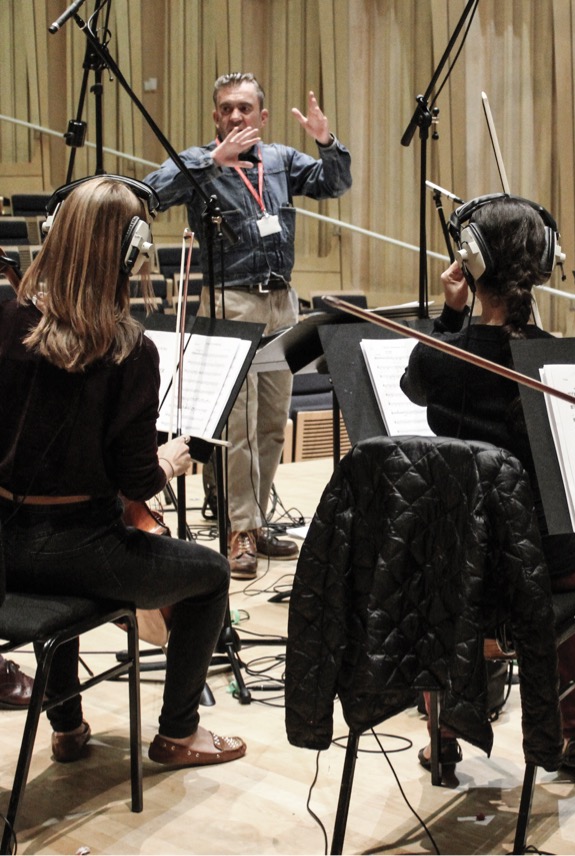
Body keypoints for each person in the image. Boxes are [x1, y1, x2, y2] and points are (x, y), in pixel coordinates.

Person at [0, 176, 244, 767]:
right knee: (210, 575)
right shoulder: (129, 349)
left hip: (4, 545)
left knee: (67, 573)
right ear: (130, 252)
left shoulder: (6, 323)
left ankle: (67, 728)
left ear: (54, 235)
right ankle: (179, 734)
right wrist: (168, 459)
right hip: (81, 549)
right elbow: (137, 482)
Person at [400, 195, 575, 778]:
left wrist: (451, 315)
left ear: (471, 262)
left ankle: (444, 735)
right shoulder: (561, 363)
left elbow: (414, 386)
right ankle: (574, 731)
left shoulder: (442, 359)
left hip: (469, 570)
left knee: (436, 564)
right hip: (546, 568)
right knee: (572, 552)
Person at [144, 72, 352, 579]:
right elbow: (151, 192)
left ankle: (256, 523)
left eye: (245, 108)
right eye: (226, 109)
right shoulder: (201, 163)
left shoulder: (280, 160)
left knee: (271, 423)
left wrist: (327, 142)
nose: (236, 116)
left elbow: (335, 183)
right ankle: (238, 528)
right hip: (228, 301)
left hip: (282, 302)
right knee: (236, 425)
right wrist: (209, 161)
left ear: (262, 115)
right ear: (216, 117)